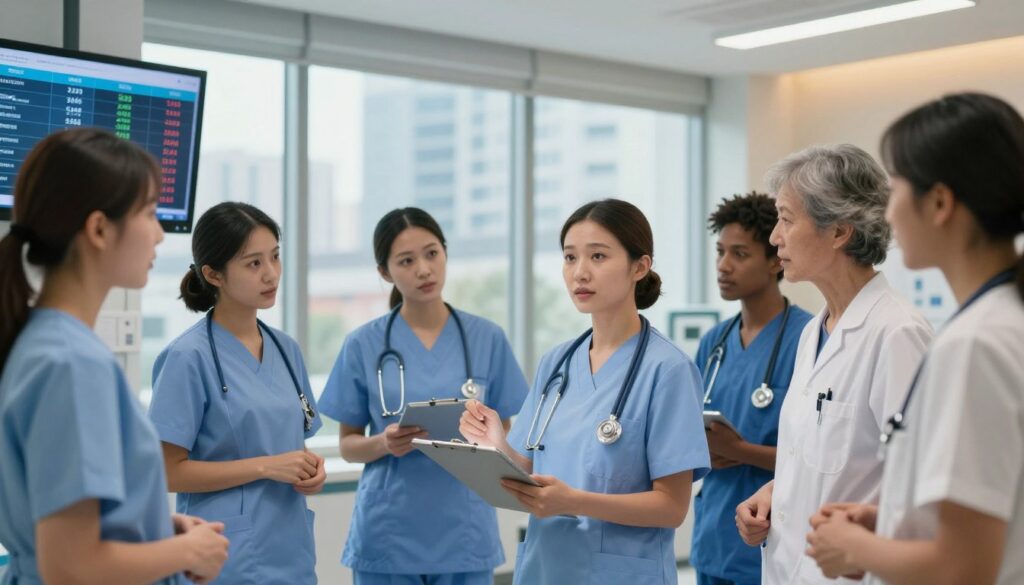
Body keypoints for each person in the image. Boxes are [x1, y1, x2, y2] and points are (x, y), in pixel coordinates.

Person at [805, 93, 1024, 585]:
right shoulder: (1003, 321)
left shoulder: (977, 345)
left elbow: (963, 569)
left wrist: (856, 547)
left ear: (941, 203)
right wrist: (892, 522)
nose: (887, 210)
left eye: (897, 185)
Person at [0, 128, 228, 585]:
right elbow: (70, 565)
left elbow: (69, 520)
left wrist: (156, 534)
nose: (161, 234)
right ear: (100, 229)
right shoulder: (71, 364)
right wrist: (186, 550)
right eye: (149, 213)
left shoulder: (40, 343)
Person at [460, 198, 710, 585]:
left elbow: (672, 507)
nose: (580, 273)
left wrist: (574, 501)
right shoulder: (555, 364)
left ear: (639, 267)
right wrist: (497, 445)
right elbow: (530, 470)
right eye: (570, 258)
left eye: (598, 257)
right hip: (546, 569)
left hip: (623, 574)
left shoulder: (668, 370)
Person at [735, 144, 933, 584]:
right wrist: (774, 493)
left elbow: (923, 490)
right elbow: (829, 462)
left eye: (786, 219)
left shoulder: (897, 334)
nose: (774, 238)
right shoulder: (814, 332)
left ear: (839, 232)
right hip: (789, 568)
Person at [317, 207, 529, 585]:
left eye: (432, 253)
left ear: (445, 253)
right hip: (389, 533)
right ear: (385, 272)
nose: (424, 270)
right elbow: (348, 445)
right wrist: (384, 442)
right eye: (406, 260)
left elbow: (507, 432)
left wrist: (484, 438)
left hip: (464, 531)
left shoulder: (486, 338)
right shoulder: (363, 345)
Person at [148, 202, 325, 584]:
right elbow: (165, 472)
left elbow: (287, 443)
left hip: (291, 551)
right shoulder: (187, 358)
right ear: (214, 274)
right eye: (253, 263)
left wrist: (310, 468)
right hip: (224, 557)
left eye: (275, 257)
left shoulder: (286, 349)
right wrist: (265, 466)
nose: (271, 274)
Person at [690, 192, 813, 585]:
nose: (723, 266)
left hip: (771, 541)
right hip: (712, 541)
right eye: (720, 251)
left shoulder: (808, 338)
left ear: (775, 258)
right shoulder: (714, 344)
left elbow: (821, 457)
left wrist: (739, 451)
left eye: (740, 254)